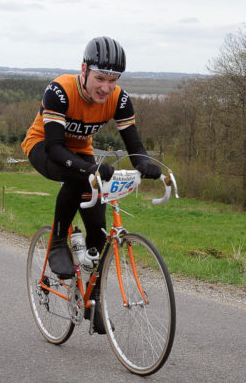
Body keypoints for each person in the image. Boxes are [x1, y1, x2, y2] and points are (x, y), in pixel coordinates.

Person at [21, 36, 161, 334]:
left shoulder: (119, 98)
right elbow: (56, 149)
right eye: (100, 79)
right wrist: (88, 169)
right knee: (78, 176)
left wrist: (147, 166)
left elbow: (134, 145)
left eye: (113, 80)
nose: (106, 88)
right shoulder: (60, 91)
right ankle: (58, 240)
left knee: (98, 232)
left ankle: (93, 302)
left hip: (81, 152)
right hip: (44, 147)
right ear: (83, 70)